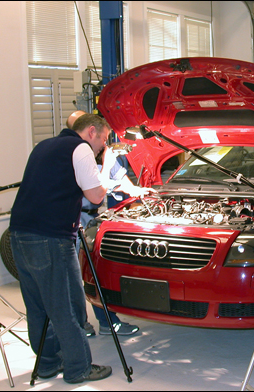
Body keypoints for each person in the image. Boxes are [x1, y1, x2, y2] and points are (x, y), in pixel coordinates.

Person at [9, 114, 114, 384]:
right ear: (92, 131)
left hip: (20, 234)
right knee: (63, 304)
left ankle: (47, 364)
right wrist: (107, 169)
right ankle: (78, 368)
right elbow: (95, 195)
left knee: (36, 305)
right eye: (103, 140)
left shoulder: (44, 145)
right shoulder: (80, 149)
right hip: (51, 238)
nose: (103, 146)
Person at [66, 111, 154, 337]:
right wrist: (105, 165)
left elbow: (122, 181)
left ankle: (107, 322)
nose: (102, 143)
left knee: (95, 274)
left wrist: (138, 191)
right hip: (72, 219)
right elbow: (96, 190)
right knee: (74, 277)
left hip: (93, 219)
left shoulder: (104, 152)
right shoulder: (74, 153)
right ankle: (79, 324)